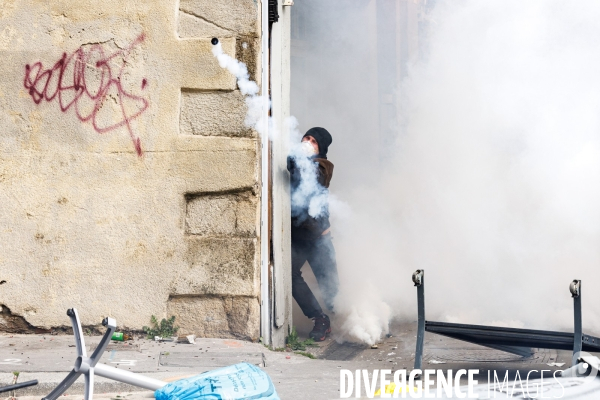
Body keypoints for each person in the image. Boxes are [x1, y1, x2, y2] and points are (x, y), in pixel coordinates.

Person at [287, 127, 339, 341]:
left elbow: (306, 175)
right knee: (289, 275)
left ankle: (367, 316)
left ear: (321, 149)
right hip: (299, 238)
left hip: (319, 238)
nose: (308, 142)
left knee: (333, 294)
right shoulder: (297, 162)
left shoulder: (323, 167)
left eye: (314, 141)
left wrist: (296, 156)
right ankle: (319, 319)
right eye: (306, 138)